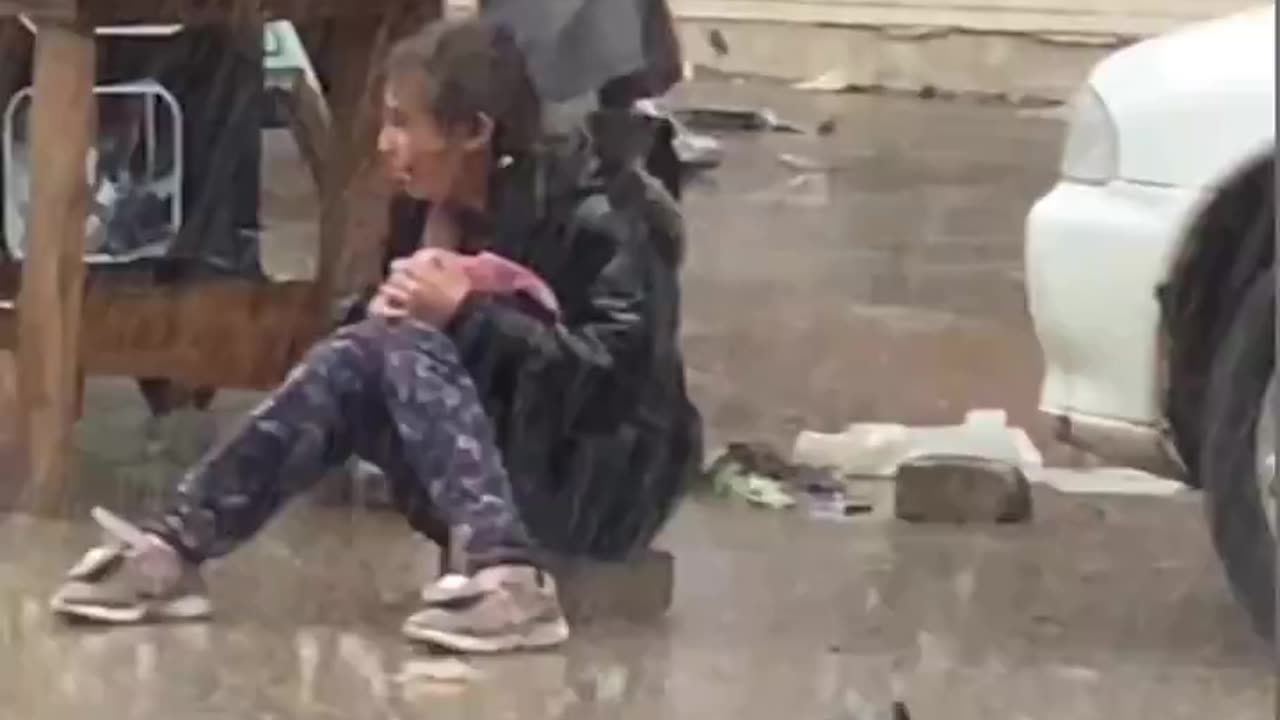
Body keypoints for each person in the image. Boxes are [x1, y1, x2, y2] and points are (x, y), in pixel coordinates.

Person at [50, 17, 702, 654]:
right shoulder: (428, 206)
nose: (386, 143)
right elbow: (369, 356)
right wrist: (382, 315)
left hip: (608, 482)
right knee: (363, 349)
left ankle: (512, 580)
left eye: (402, 123)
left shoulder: (604, 212)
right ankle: (176, 546)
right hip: (495, 459)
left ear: (474, 131)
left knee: (400, 344)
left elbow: (618, 389)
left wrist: (470, 316)